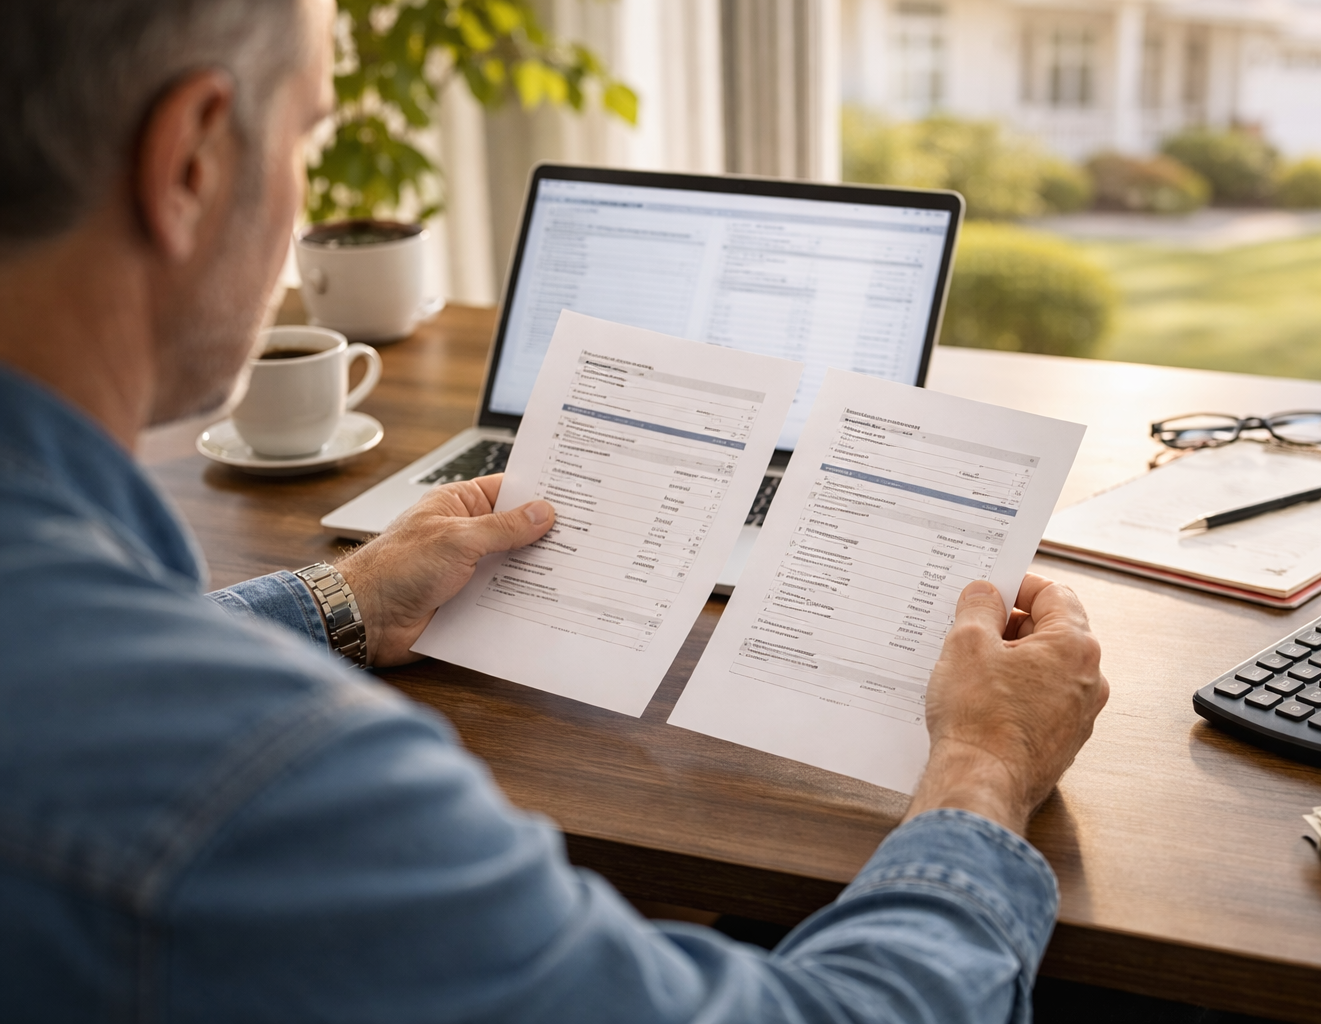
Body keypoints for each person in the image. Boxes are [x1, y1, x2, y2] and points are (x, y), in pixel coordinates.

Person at [0, 1, 1110, 1020]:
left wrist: (335, 602)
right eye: (303, 137)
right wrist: (986, 757)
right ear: (191, 158)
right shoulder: (275, 785)